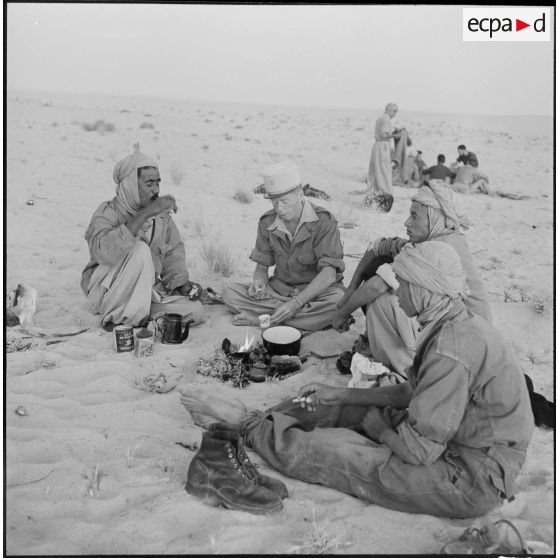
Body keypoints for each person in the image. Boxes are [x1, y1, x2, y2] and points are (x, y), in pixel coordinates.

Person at [181, 241, 534, 518]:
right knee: (335, 407)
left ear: (425, 289)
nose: (398, 294)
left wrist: (381, 432)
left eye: (404, 285)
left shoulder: (453, 347)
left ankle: (246, 425)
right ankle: (264, 421)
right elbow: (414, 392)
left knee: (341, 454)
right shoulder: (451, 322)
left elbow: (417, 451)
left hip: (471, 476)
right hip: (452, 436)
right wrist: (338, 395)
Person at [332, 180, 491, 378]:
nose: (407, 222)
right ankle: (380, 343)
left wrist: (344, 312)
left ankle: (405, 368)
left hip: (463, 343)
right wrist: (349, 292)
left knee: (381, 298)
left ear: (433, 219)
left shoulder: (441, 248)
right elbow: (378, 247)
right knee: (380, 263)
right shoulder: (435, 236)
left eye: (414, 216)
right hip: (455, 330)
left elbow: (376, 286)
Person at [81, 145, 204, 331]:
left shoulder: (160, 216)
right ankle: (116, 318)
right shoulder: (108, 212)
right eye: (149, 184)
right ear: (130, 184)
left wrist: (181, 284)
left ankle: (136, 315)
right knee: (139, 250)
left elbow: (173, 253)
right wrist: (145, 214)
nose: (155, 189)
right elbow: (103, 253)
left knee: (195, 311)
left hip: (145, 290)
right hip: (107, 291)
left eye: (157, 182)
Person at [222, 160, 345, 332]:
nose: (279, 208)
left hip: (315, 294)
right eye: (274, 202)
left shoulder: (324, 221)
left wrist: (296, 303)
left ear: (300, 194)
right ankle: (288, 317)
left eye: (285, 201)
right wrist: (259, 284)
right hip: (280, 292)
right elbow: (261, 268)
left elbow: (329, 275)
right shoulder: (267, 222)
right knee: (229, 292)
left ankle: (266, 321)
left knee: (337, 303)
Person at [364, 103, 399, 212]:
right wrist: (395, 135)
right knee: (384, 172)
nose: (395, 114)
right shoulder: (386, 119)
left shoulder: (380, 118)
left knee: (375, 171)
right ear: (390, 110)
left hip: (377, 145)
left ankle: (374, 195)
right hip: (382, 146)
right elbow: (384, 135)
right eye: (395, 112)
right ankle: (384, 196)